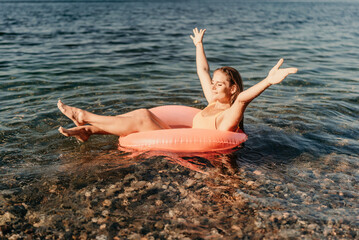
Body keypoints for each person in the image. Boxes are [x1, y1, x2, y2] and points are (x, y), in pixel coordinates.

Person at [58, 28, 297, 142]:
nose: (213, 87)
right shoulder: (214, 101)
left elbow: (244, 98)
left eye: (219, 84)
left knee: (142, 115)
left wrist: (268, 81)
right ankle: (88, 130)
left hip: (192, 147)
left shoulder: (230, 115)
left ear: (232, 89)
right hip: (176, 136)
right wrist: (199, 45)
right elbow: (202, 71)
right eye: (213, 84)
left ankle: (83, 115)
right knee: (144, 115)